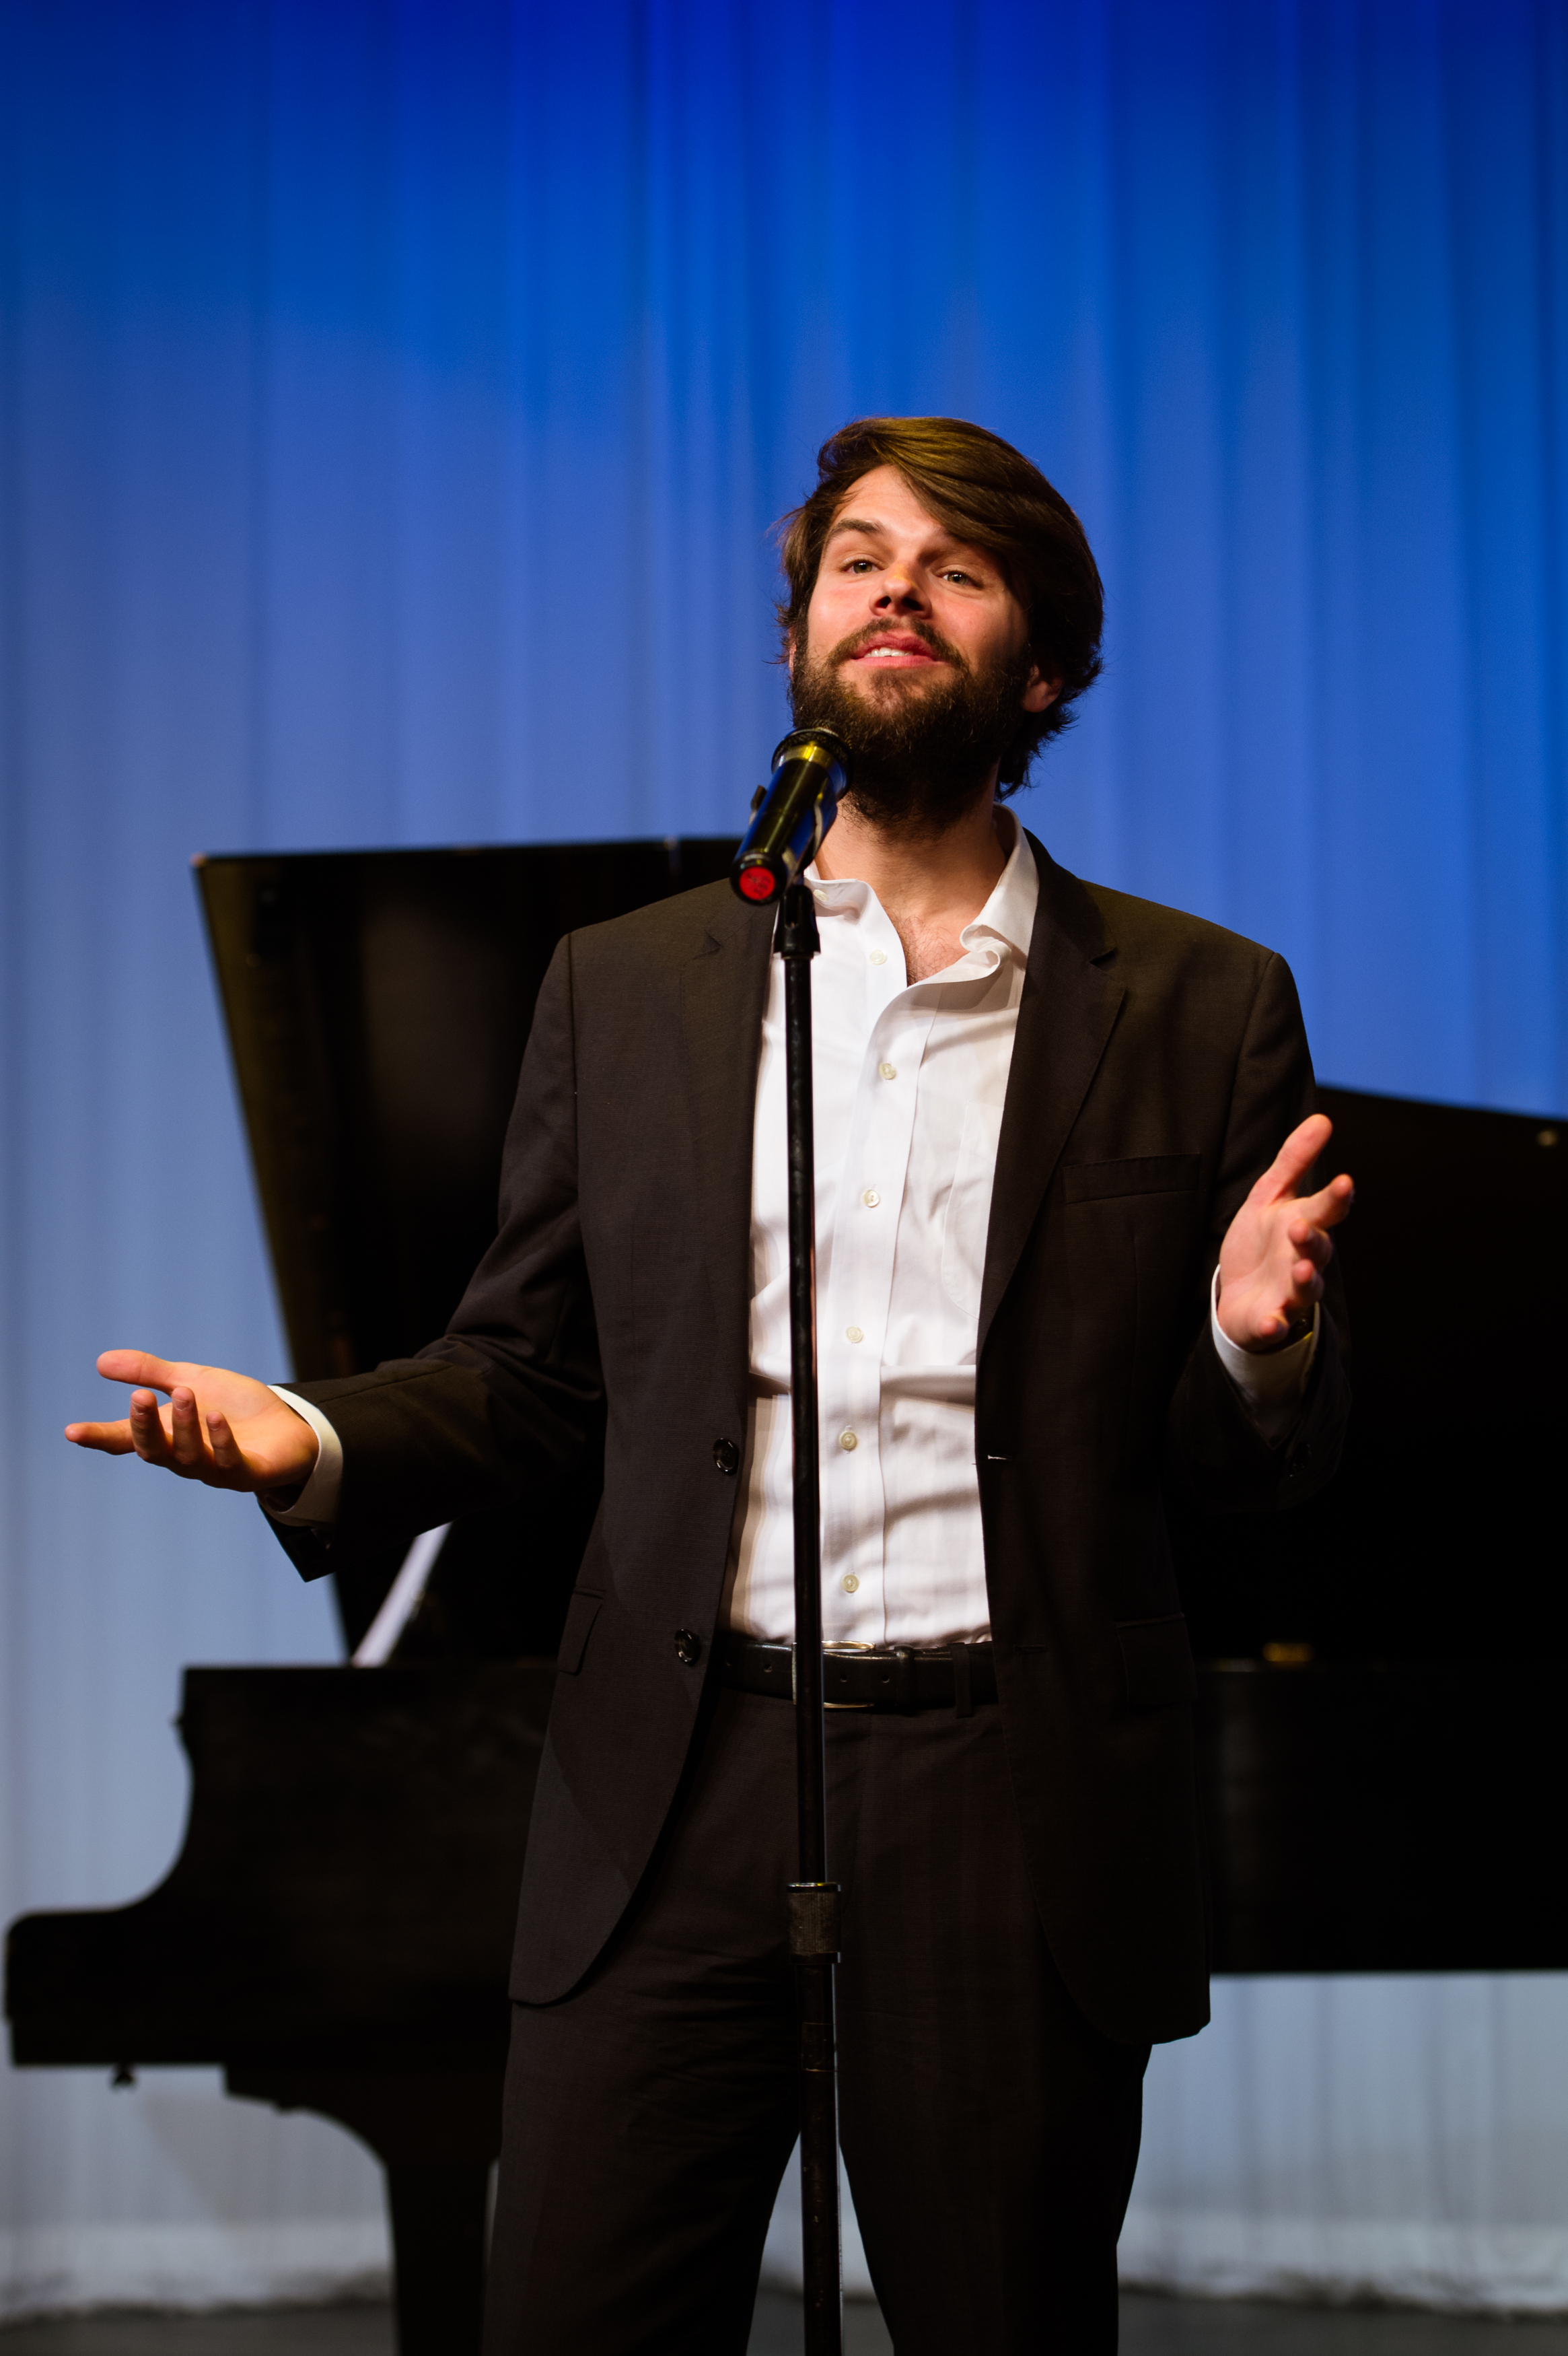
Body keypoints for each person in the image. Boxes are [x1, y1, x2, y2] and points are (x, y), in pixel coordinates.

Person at [68, 416, 1352, 2355]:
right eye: (855, 557)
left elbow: (1231, 1483)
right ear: (799, 642)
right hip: (670, 1787)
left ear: (1046, 668)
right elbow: (527, 1376)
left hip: (1004, 1793)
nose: (893, 586)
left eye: (955, 563)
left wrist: (1252, 1350)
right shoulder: (633, 982)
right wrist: (315, 1434)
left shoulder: (1197, 1002)